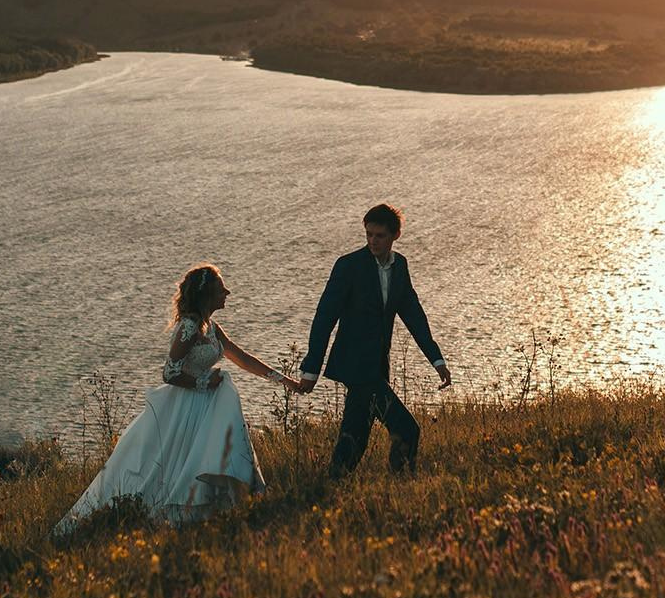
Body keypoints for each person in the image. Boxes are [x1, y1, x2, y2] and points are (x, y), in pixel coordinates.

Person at [52, 264, 302, 535]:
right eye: (221, 289)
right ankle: (150, 516)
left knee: (202, 456)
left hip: (206, 406)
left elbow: (244, 359)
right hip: (184, 405)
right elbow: (169, 372)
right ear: (207, 294)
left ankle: (211, 517)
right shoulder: (189, 326)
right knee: (171, 464)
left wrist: (286, 382)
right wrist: (205, 382)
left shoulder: (212, 329)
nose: (227, 293)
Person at [297, 203, 451, 474]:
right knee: (406, 429)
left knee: (355, 435)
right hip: (355, 367)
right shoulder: (348, 266)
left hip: (377, 368)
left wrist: (436, 359)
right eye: (368, 234)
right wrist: (311, 369)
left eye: (379, 235)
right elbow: (324, 318)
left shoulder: (399, 266)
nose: (372, 241)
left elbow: (414, 315)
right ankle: (401, 483)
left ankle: (333, 484)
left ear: (395, 235)